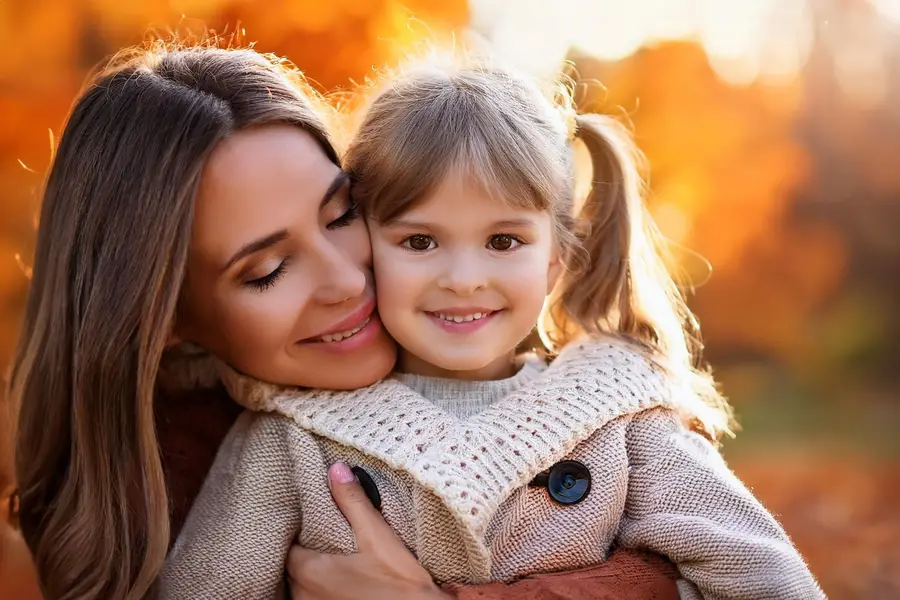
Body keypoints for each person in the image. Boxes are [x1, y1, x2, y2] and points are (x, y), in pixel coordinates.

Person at [8, 42, 679, 600]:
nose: (348, 280)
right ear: (166, 320)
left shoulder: (592, 394)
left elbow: (716, 563)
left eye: (343, 214)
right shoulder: (188, 479)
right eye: (267, 270)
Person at [159, 55, 824, 599]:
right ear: (368, 240)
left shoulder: (621, 417)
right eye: (419, 242)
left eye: (504, 242)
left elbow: (769, 579)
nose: (464, 277)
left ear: (556, 260)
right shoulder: (292, 435)